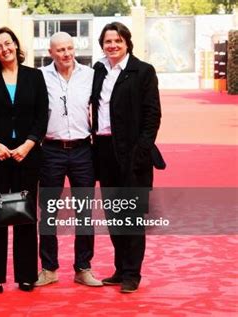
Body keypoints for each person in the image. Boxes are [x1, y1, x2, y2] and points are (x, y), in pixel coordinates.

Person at [0, 27, 48, 293]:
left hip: (26, 157)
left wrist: (28, 144)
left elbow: (42, 115)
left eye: (8, 42)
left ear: (16, 44)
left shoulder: (35, 76)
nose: (4, 48)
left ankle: (26, 275)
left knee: (25, 215)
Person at [90, 22, 163, 293]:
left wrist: (141, 151)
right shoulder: (98, 71)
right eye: (108, 41)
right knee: (113, 215)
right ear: (102, 44)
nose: (113, 46)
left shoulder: (142, 71)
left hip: (132, 154)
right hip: (104, 151)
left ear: (127, 43)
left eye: (118, 41)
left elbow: (152, 115)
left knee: (131, 215)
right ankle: (121, 269)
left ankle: (133, 274)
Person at [35, 32, 102, 288]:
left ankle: (83, 268)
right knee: (48, 212)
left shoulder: (90, 75)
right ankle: (49, 268)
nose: (66, 54)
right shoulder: (40, 77)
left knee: (85, 212)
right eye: (60, 50)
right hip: (50, 149)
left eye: (70, 48)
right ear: (50, 53)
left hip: (83, 150)